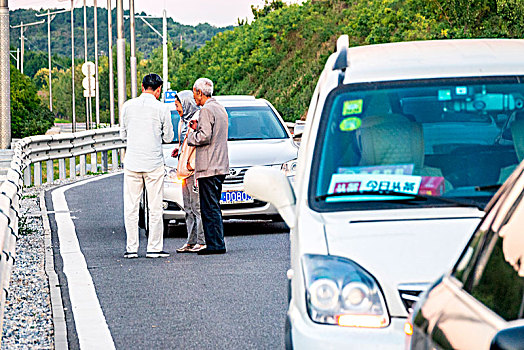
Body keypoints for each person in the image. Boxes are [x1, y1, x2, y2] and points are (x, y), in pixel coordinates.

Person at [120, 73, 174, 258]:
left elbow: (123, 135)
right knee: (155, 206)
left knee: (131, 206)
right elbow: (168, 136)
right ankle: (154, 248)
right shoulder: (162, 108)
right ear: (158, 90)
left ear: (142, 87)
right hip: (153, 163)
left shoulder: (127, 106)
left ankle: (131, 248)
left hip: (133, 162)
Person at [187, 78, 229, 255]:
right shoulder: (219, 108)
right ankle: (217, 242)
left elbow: (204, 136)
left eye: (194, 93)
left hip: (209, 166)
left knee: (208, 207)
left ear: (199, 92)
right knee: (214, 206)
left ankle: (214, 245)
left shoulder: (205, 110)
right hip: (220, 164)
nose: (194, 97)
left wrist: (191, 137)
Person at [172, 91, 206, 253]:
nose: (177, 108)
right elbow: (186, 144)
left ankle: (201, 240)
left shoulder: (198, 119)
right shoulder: (183, 122)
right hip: (185, 170)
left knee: (197, 206)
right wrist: (179, 150)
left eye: (178, 105)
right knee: (188, 207)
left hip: (194, 169)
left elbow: (201, 141)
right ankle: (191, 241)